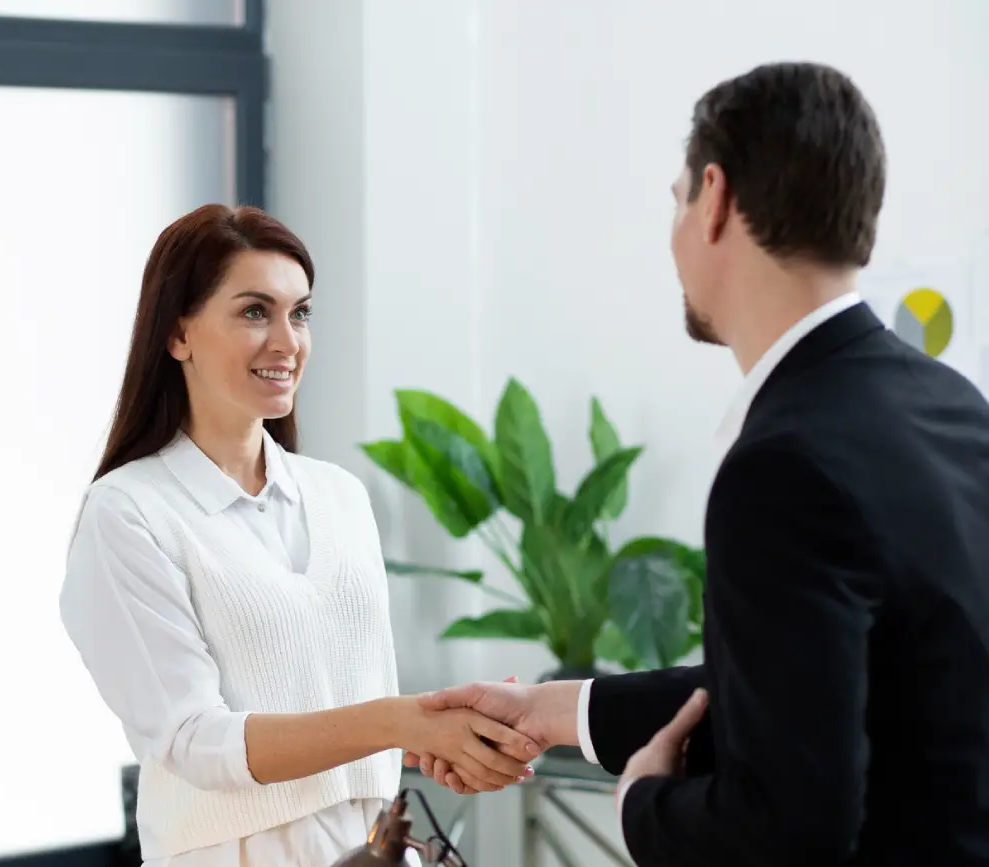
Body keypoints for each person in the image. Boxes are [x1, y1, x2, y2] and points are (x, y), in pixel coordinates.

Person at [405, 61, 989, 866]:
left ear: (713, 198)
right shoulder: (957, 406)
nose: (674, 227)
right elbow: (810, 691)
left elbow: (789, 828)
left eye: (676, 198)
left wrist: (646, 802)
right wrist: (551, 709)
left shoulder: (783, 464)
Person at [59, 205, 539, 867]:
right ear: (177, 334)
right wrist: (400, 721)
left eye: (300, 312)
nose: (288, 341)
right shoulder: (128, 513)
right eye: (255, 311)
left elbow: (344, 706)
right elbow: (195, 739)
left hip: (372, 849)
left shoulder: (340, 494)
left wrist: (446, 738)